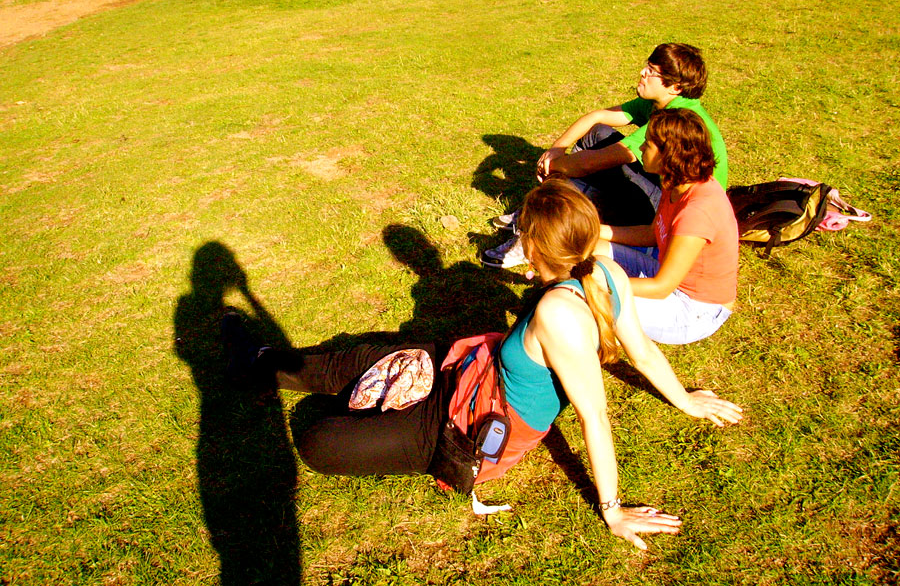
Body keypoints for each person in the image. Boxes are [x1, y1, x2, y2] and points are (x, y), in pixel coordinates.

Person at [224, 178, 742, 551]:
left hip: (469, 424)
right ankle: (262, 361)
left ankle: (362, 403)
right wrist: (686, 400)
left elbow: (595, 417)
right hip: (474, 371)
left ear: (534, 245)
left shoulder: (560, 314)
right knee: (363, 358)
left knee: (318, 441)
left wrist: (613, 511)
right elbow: (643, 352)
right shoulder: (606, 269)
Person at [481, 43, 728, 269]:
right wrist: (557, 148)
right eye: (647, 65)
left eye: (652, 71)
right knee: (597, 135)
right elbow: (597, 117)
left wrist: (554, 166)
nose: (643, 72)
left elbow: (591, 163)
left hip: (672, 213)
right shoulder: (659, 102)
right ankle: (541, 213)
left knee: (583, 175)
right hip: (665, 189)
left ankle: (537, 232)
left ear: (675, 87)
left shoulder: (674, 122)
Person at [596, 109, 739, 345]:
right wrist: (595, 231)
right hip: (666, 275)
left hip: (694, 309)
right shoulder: (676, 183)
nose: (641, 147)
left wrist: (599, 284)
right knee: (593, 249)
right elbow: (651, 234)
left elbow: (661, 287)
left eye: (648, 143)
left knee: (595, 299)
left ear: (668, 154)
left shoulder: (697, 211)